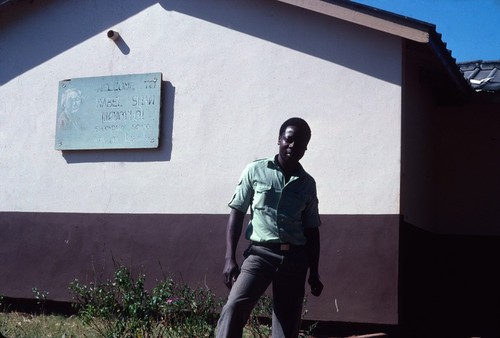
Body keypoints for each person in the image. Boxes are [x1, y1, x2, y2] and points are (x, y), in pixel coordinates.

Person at [216, 117, 323, 338]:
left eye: (300, 142)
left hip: (295, 260)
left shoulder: (307, 183)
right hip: (260, 255)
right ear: (279, 139)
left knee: (287, 323)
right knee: (234, 308)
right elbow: (237, 212)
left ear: (306, 147)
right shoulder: (255, 171)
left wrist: (314, 271)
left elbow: (312, 230)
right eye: (289, 139)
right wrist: (230, 258)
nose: (293, 145)